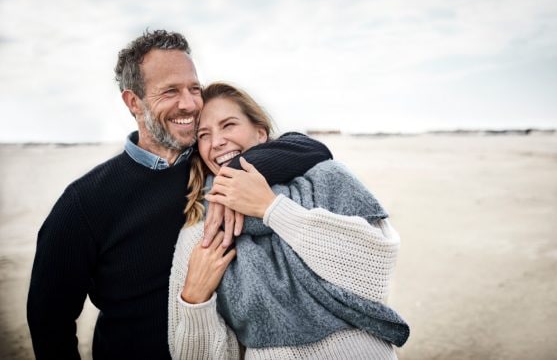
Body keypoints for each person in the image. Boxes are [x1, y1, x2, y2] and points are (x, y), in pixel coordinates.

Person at [27, 30, 332, 360]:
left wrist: (240, 169)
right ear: (134, 102)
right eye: (170, 91)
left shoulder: (211, 163)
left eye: (193, 89)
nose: (189, 104)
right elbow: (49, 321)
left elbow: (312, 148)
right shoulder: (84, 202)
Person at [168, 83, 409, 359]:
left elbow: (375, 275)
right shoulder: (204, 231)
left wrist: (271, 208)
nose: (217, 141)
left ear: (260, 133)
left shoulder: (328, 178)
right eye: (204, 135)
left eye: (228, 125)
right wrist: (195, 301)